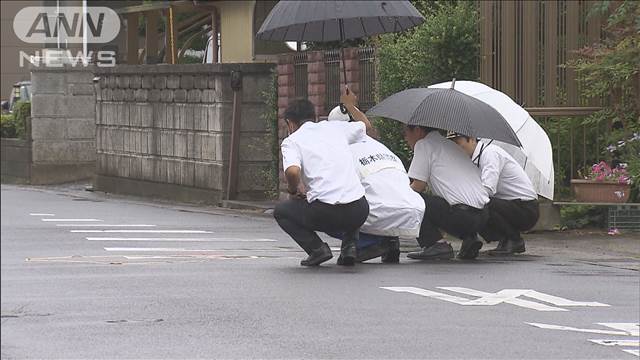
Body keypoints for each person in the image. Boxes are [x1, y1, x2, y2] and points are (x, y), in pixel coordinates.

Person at [326, 96, 425, 263]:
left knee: (327, 212)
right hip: (412, 212)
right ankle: (391, 241)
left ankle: (368, 244)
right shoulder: (380, 147)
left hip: (378, 213)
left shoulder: (342, 151)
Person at [273, 98, 371, 266]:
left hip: (326, 213)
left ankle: (317, 249)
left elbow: (292, 171)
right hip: (359, 210)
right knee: (349, 190)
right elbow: (365, 125)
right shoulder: (335, 128)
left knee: (281, 211)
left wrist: (292, 190)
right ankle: (349, 247)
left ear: (290, 123)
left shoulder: (292, 141)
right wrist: (349, 105)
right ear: (315, 116)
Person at [403, 125, 490, 260]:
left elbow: (418, 186)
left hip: (462, 216)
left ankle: (436, 244)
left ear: (417, 130)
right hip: (483, 215)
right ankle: (470, 238)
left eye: (406, 133)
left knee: (411, 198)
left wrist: (397, 198)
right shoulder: (451, 145)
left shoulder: (424, 144)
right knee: (441, 201)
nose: (406, 138)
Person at [448, 133, 539, 254]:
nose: (456, 149)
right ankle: (505, 240)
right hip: (509, 205)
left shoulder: (490, 153)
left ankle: (514, 240)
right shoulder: (473, 159)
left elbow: (488, 189)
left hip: (526, 209)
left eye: (458, 144)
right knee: (475, 202)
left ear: (471, 139)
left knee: (481, 203)